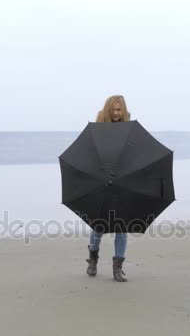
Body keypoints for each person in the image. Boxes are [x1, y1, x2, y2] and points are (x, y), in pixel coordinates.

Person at [86, 95, 131, 282]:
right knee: (98, 226)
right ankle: (93, 259)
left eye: (119, 109)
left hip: (121, 182)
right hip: (101, 181)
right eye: (113, 109)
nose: (116, 113)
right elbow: (91, 155)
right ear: (107, 109)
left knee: (122, 226)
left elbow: (131, 153)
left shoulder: (129, 128)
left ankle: (117, 268)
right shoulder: (97, 129)